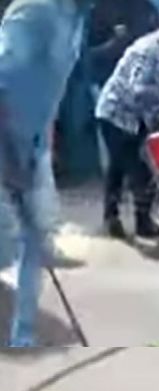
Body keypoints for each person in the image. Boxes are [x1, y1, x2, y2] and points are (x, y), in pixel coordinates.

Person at [0, 0, 92, 347]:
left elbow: (50, 89)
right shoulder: (33, 13)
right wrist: (10, 156)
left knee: (34, 238)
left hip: (31, 144)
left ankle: (22, 335)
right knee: (10, 242)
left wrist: (41, 146)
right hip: (5, 139)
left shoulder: (76, 20)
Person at [95, 6, 159, 240]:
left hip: (133, 115)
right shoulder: (149, 49)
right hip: (116, 112)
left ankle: (114, 218)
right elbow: (137, 89)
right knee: (138, 168)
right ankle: (138, 221)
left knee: (120, 167)